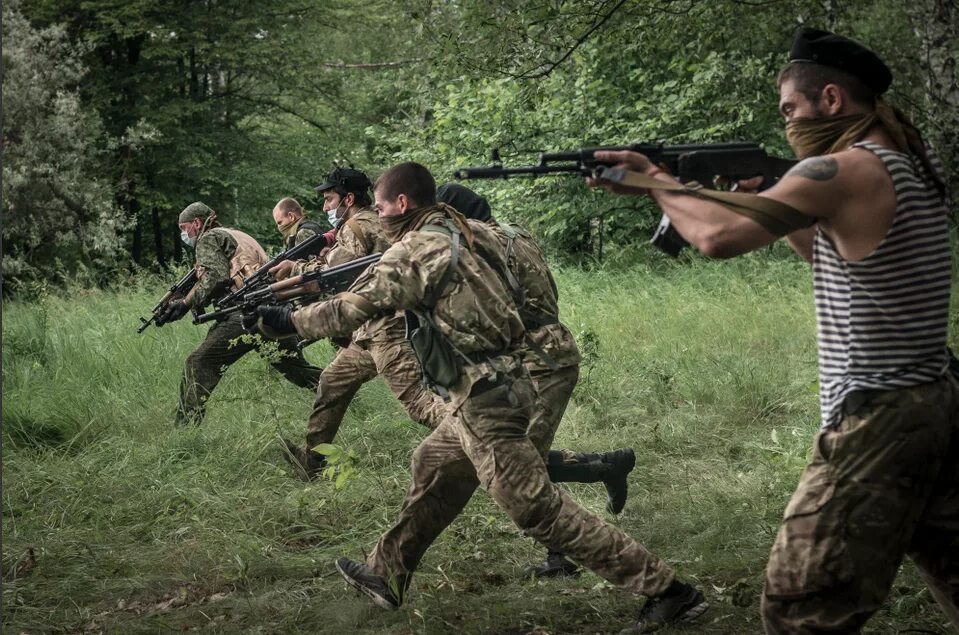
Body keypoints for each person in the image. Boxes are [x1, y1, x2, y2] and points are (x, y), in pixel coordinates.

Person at [593, 27, 958, 634]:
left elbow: (715, 238)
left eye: (791, 109)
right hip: (934, 398)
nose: (787, 122)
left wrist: (655, 181)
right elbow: (833, 253)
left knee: (799, 607)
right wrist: (771, 201)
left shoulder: (842, 167)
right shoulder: (908, 159)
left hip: (879, 418)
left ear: (832, 101)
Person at [252, 163, 708, 632]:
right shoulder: (470, 233)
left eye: (383, 206)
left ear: (402, 205)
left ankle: (669, 592)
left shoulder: (417, 249)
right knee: (433, 462)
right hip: (506, 379)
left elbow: (351, 311)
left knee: (536, 508)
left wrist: (287, 321)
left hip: (486, 392)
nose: (378, 214)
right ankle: (385, 573)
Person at [436, 182, 637, 579]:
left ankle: (561, 556)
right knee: (520, 456)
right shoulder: (514, 233)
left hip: (542, 358)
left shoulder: (483, 245)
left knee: (521, 466)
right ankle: (606, 467)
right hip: (540, 354)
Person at [269, 168, 449, 479]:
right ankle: (310, 462)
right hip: (376, 327)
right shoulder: (383, 218)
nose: (326, 207)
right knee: (332, 381)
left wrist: (293, 268)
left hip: (389, 329)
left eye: (330, 199)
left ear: (348, 198)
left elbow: (332, 272)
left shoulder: (356, 226)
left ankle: (493, 442)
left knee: (420, 404)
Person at [156, 201, 322, 426]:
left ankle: (184, 429)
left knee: (199, 363)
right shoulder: (235, 234)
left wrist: (184, 303)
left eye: (184, 228)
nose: (183, 234)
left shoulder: (208, 238)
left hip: (244, 311)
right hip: (271, 309)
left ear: (197, 223)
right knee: (294, 368)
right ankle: (340, 388)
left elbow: (214, 275)